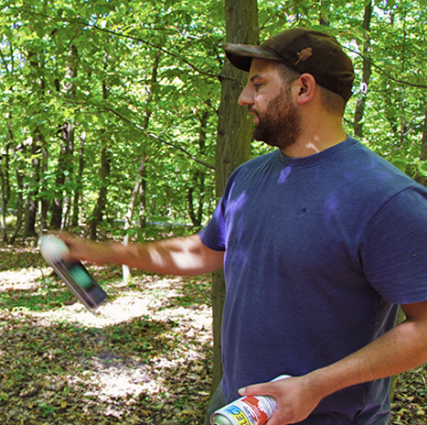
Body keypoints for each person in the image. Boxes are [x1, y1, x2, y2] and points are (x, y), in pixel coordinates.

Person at [57, 28, 427, 425]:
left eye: (257, 84)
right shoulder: (249, 178)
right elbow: (203, 250)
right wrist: (98, 252)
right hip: (236, 410)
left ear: (303, 88)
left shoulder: (388, 199)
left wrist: (316, 386)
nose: (243, 98)